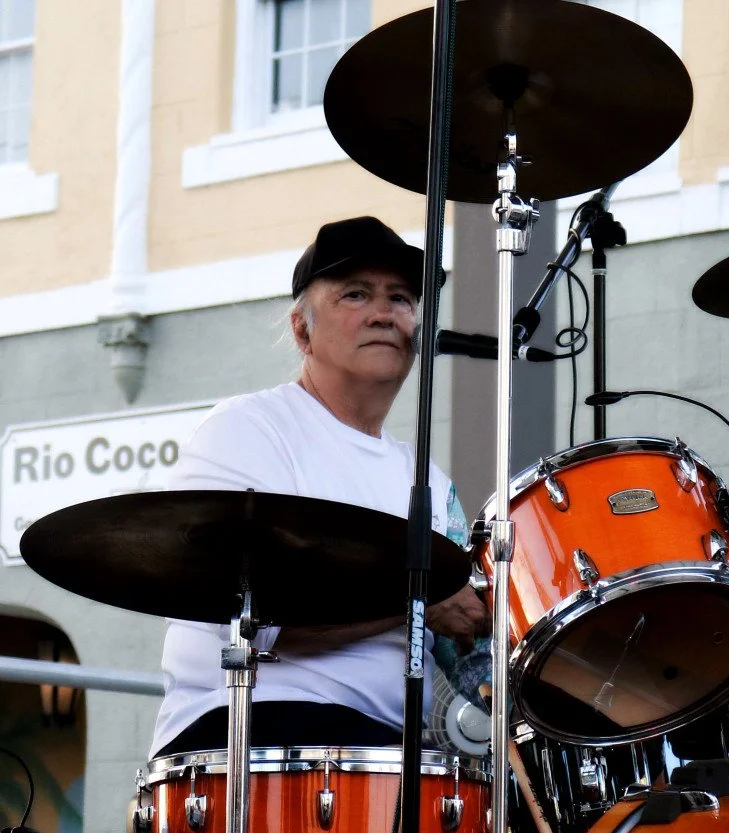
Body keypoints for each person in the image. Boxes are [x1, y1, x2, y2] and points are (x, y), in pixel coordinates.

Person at [150, 216, 490, 758]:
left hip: (393, 751)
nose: (383, 313)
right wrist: (418, 602)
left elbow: (472, 662)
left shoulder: (430, 484)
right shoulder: (249, 429)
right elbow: (264, 621)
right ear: (302, 330)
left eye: (400, 298)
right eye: (356, 295)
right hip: (253, 732)